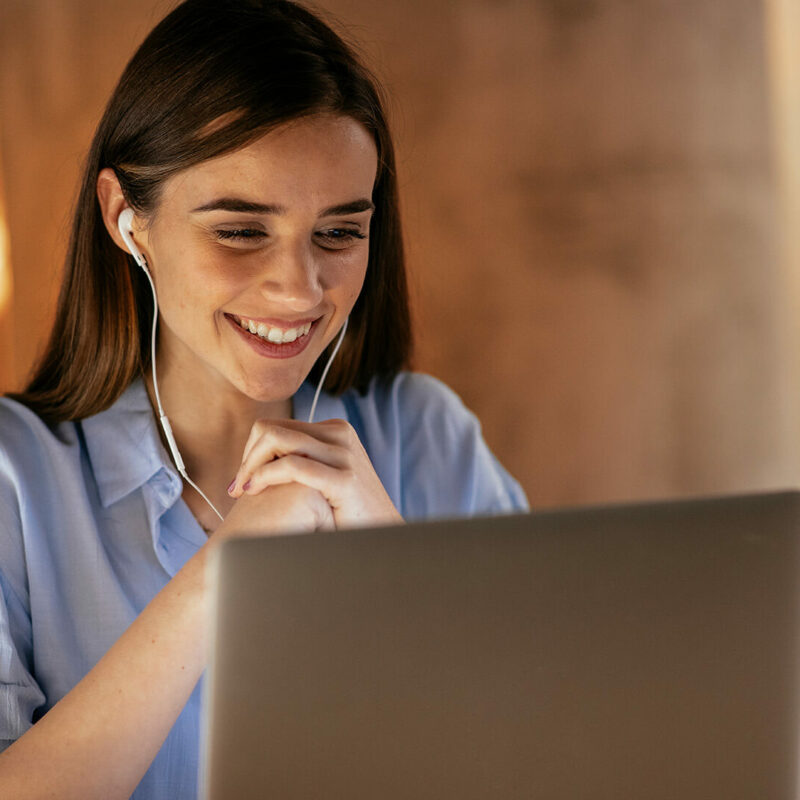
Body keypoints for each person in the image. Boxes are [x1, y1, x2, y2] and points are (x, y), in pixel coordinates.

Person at [0, 0, 528, 796]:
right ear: (126, 218)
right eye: (242, 230)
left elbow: (537, 756)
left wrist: (398, 565)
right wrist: (228, 568)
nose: (299, 289)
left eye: (340, 232)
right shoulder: (15, 480)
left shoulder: (427, 438)